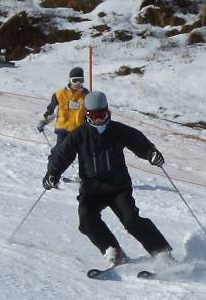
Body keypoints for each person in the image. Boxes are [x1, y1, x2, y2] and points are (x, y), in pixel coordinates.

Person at [41, 91, 172, 266]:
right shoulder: (79, 134)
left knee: (131, 220)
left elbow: (139, 142)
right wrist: (52, 174)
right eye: (93, 116)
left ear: (108, 112)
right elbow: (61, 155)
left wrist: (151, 153)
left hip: (118, 187)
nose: (98, 120)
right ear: (86, 114)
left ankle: (162, 253)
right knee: (86, 220)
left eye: (102, 115)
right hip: (92, 189)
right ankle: (114, 251)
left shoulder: (118, 130)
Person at [37, 66, 89, 145]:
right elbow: (51, 111)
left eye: (81, 81)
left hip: (79, 131)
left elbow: (90, 114)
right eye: (75, 80)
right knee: (60, 151)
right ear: (70, 80)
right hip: (63, 130)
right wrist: (43, 122)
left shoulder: (87, 96)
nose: (78, 83)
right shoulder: (59, 94)